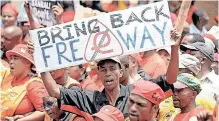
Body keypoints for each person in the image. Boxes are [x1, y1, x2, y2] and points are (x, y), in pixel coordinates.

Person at [32, 29, 181, 119]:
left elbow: (171, 79)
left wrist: (174, 48)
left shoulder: (136, 91)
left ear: (121, 71)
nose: (108, 73)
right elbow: (55, 91)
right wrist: (40, 62)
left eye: (112, 68)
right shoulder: (90, 98)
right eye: (103, 70)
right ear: (98, 73)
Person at [1, 44, 48, 121]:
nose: (11, 62)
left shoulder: (34, 84)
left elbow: (45, 111)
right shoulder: (5, 75)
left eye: (15, 58)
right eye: (11, 58)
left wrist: (22, 120)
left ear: (28, 62)